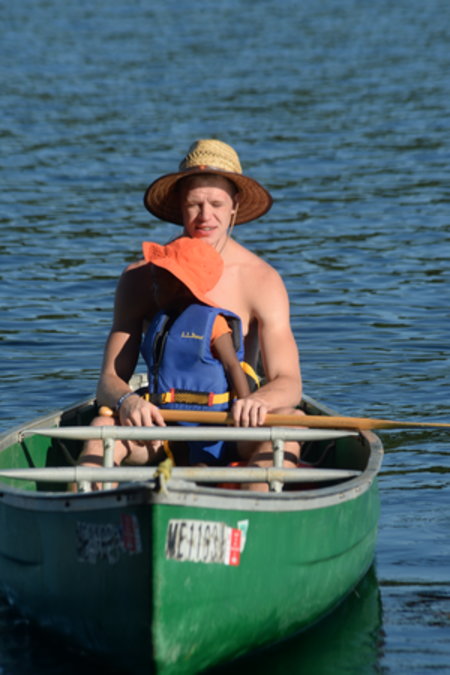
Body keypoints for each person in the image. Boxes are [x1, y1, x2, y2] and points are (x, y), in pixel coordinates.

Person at [80, 138, 303, 489]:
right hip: (160, 428)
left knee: (292, 422)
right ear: (178, 206)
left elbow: (289, 382)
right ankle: (86, 505)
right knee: (101, 428)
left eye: (216, 204)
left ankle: (255, 506)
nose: (205, 217)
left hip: (234, 426)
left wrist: (257, 401)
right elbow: (108, 380)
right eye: (193, 204)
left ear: (235, 205)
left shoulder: (262, 279)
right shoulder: (142, 277)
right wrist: (127, 402)